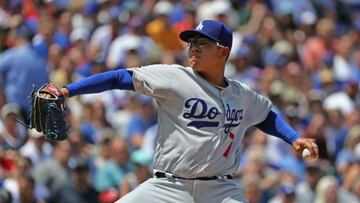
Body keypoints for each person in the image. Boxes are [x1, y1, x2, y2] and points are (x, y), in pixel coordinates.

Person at [54, 20, 318, 203]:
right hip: (169, 186)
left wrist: (294, 137)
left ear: (223, 51)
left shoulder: (242, 95)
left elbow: (266, 116)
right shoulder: (174, 78)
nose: (194, 47)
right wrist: (67, 91)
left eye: (203, 43)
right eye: (192, 42)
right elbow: (120, 78)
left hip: (220, 190)